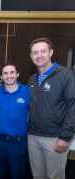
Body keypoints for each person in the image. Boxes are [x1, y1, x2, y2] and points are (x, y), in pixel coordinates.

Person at [27, 37, 75, 179]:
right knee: (38, 176)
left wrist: (65, 138)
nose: (39, 55)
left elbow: (74, 106)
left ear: (51, 52)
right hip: (33, 137)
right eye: (35, 52)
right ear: (31, 56)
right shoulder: (32, 79)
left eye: (43, 51)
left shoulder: (65, 75)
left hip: (55, 139)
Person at [0, 64, 30, 179]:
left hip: (18, 144)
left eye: (12, 72)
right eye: (5, 73)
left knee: (17, 175)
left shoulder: (27, 91)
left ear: (17, 74)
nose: (9, 76)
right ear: (1, 77)